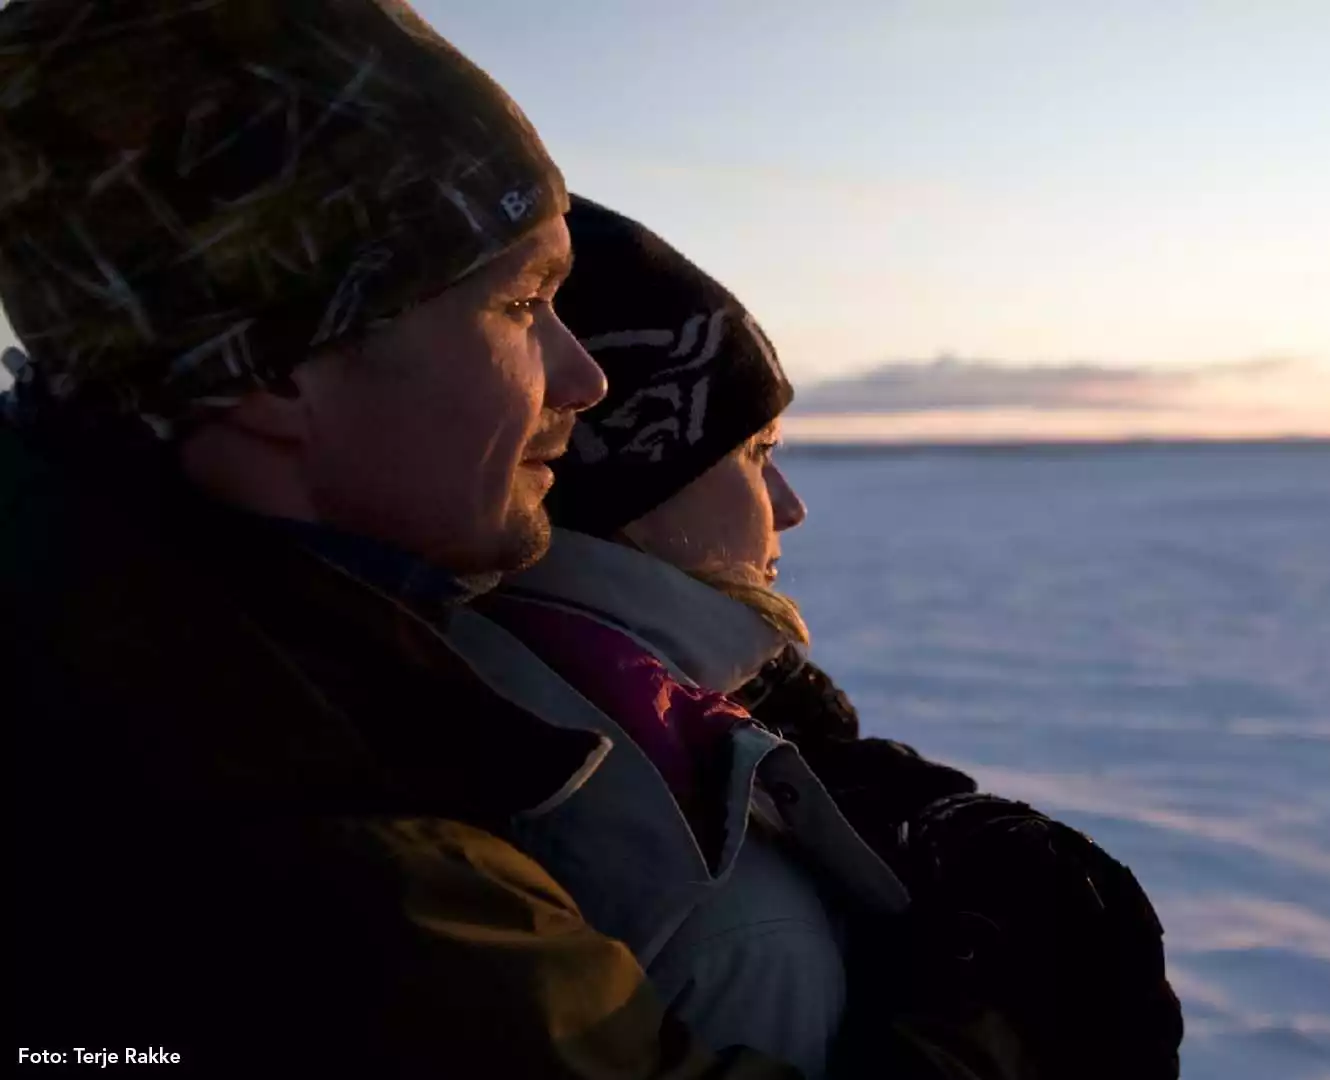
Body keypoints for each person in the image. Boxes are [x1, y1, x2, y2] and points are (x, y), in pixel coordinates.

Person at [3, 3, 842, 1076]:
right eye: (521, 302)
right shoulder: (297, 857)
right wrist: (1003, 1017)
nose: (583, 378)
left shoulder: (179, 649)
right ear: (271, 373)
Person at [448, 196, 1184, 1079]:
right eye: (757, 452)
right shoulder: (733, 905)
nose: (790, 506)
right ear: (632, 481)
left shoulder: (470, 670)